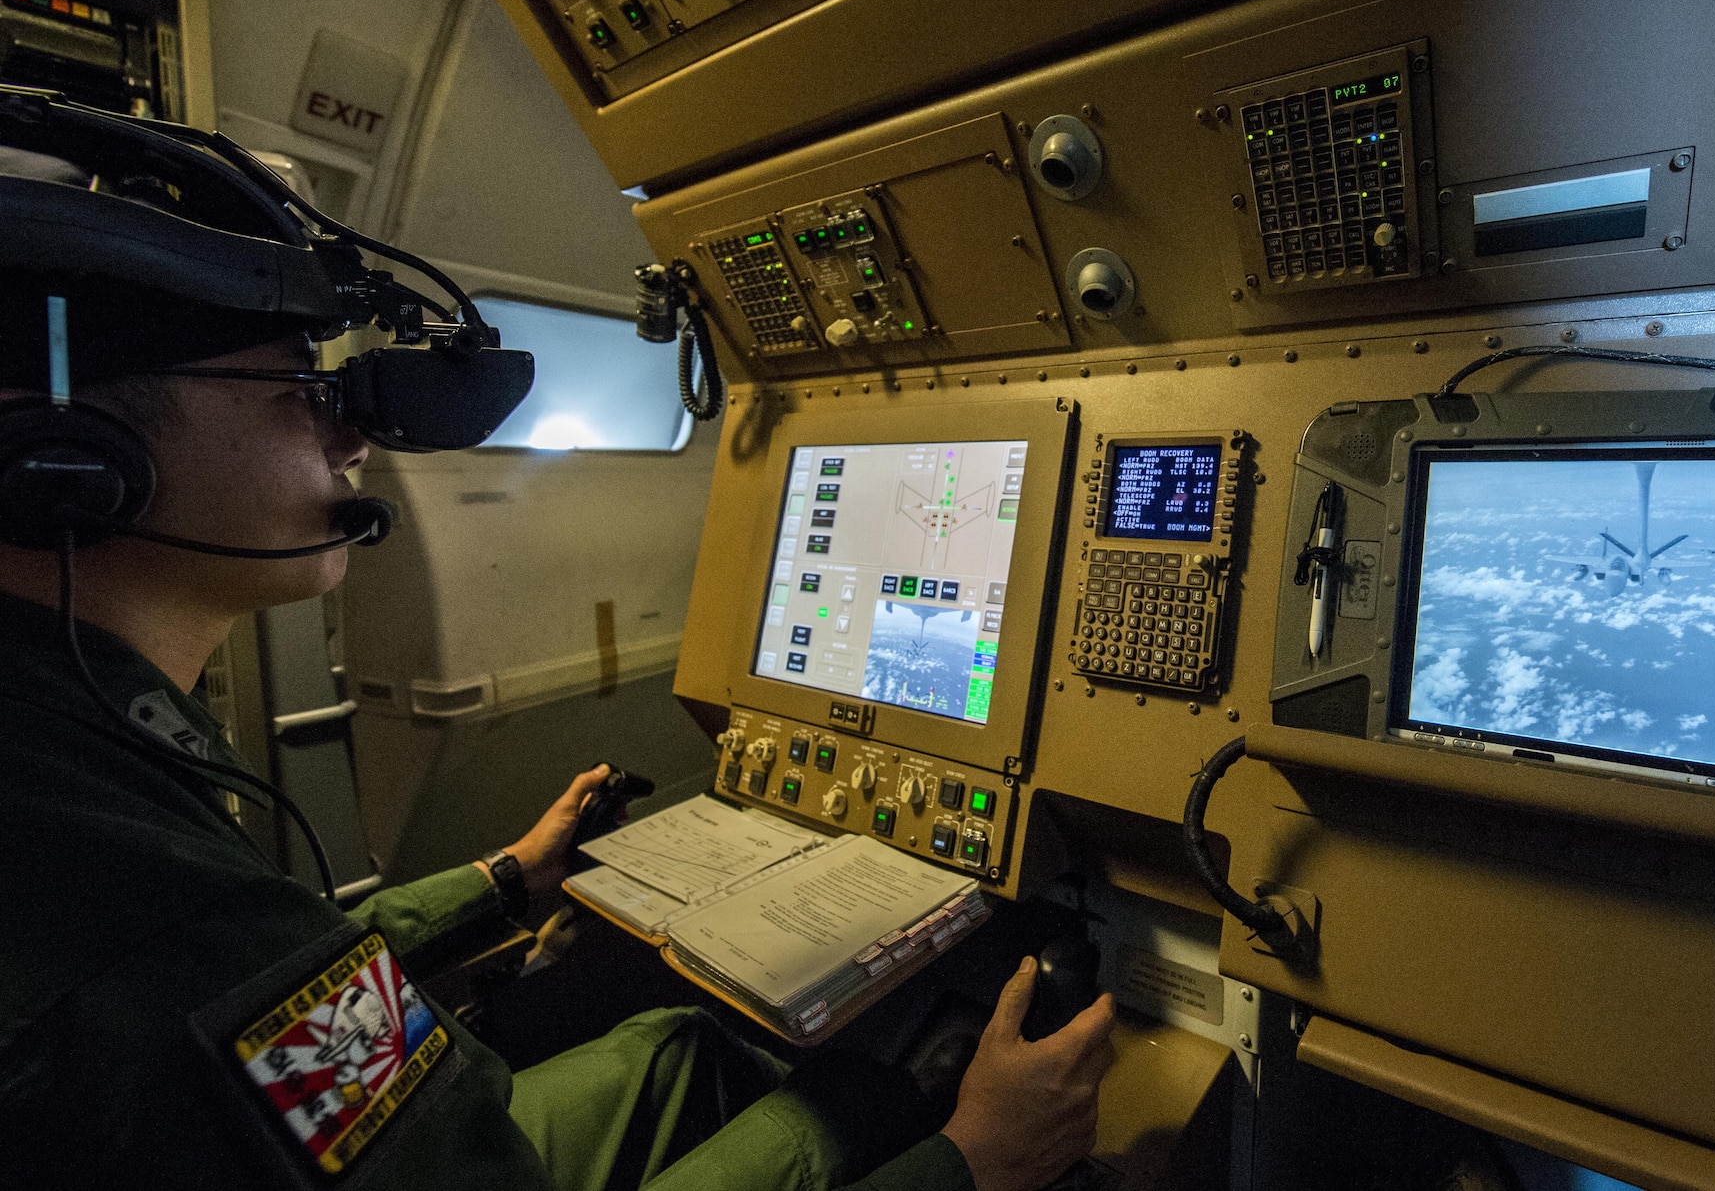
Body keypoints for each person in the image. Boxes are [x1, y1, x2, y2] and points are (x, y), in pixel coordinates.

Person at [0, 90, 1116, 1190]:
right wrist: (973, 1163)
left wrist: (500, 880)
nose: (348, 432)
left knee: (680, 1048)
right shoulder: (151, 920)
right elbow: (240, 967)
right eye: (300, 381)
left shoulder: (73, 733)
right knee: (847, 1105)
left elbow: (294, 986)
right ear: (68, 452)